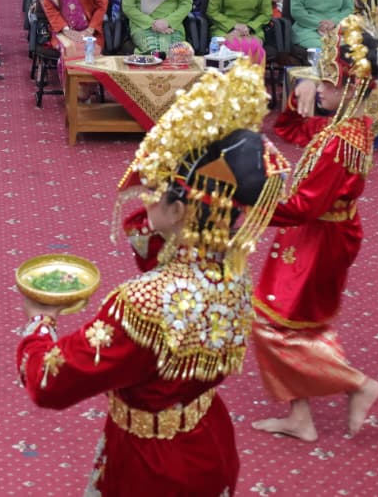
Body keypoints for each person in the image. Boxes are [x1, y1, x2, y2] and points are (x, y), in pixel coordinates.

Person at [17, 60, 288, 496]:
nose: (145, 195)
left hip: (149, 468)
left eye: (156, 187)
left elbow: (50, 382)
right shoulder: (233, 270)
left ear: (179, 209)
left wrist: (39, 322)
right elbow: (151, 243)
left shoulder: (142, 304)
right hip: (208, 439)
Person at [252, 10, 378, 443]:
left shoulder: (340, 143)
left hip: (319, 240)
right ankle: (300, 416)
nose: (320, 87)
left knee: (274, 325)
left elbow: (302, 207)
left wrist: (247, 201)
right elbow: (290, 128)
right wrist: (299, 89)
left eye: (326, 81)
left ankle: (356, 383)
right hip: (315, 235)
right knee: (296, 323)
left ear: (350, 87)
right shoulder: (343, 125)